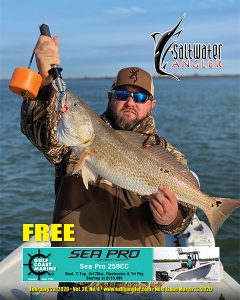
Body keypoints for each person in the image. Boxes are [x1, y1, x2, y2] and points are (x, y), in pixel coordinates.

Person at [21, 35, 196, 299]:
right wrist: (45, 82)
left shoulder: (169, 155)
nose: (130, 102)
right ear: (110, 96)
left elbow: (183, 218)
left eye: (139, 96)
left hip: (139, 284)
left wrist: (171, 218)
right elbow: (40, 130)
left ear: (152, 105)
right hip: (77, 277)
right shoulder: (72, 137)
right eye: (123, 94)